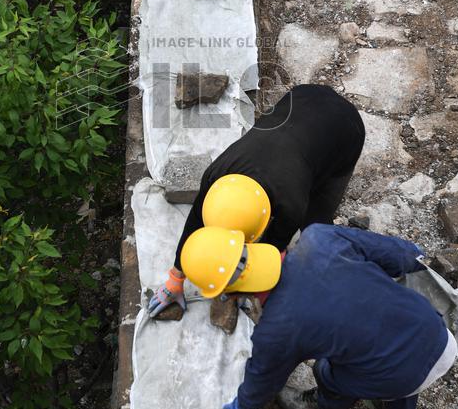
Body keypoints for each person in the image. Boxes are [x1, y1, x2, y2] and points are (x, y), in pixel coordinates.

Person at [185, 222, 456, 409]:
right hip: (435, 329)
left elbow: (265, 377)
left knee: (326, 371)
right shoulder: (319, 238)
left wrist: (244, 407)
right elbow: (397, 254)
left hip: (402, 375)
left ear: (232, 294)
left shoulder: (277, 331)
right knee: (393, 351)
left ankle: (329, 407)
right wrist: (413, 259)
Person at [147, 84, 366, 318]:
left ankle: (335, 281)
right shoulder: (216, 177)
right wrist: (175, 278)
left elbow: (268, 252)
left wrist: (244, 285)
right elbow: (196, 222)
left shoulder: (290, 206)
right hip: (303, 96)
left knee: (317, 227)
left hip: (345, 130)